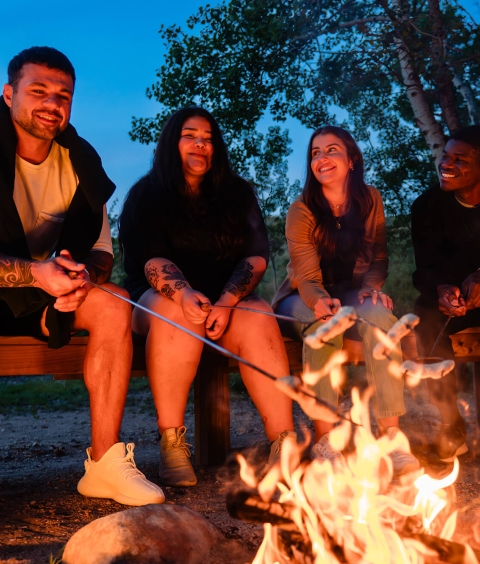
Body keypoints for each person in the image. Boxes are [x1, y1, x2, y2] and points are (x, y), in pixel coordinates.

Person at [0, 46, 164, 506]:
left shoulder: (80, 163)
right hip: (24, 281)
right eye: (38, 91)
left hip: (41, 293)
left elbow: (100, 252)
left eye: (63, 95)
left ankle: (104, 463)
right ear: (8, 93)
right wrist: (37, 275)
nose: (52, 103)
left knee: (112, 301)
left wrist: (78, 280)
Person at [119, 106, 295, 487]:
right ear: (172, 143)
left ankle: (285, 444)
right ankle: (173, 444)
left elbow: (256, 257)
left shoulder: (237, 194)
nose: (200, 143)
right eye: (189, 135)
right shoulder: (147, 195)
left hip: (224, 303)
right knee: (177, 314)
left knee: (260, 313)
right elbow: (150, 261)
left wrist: (230, 299)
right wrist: (184, 293)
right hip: (157, 301)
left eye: (208, 137)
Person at [273, 125, 419, 474]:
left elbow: (378, 257)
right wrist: (321, 303)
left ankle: (393, 439)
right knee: (325, 326)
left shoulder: (370, 199)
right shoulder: (302, 209)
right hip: (301, 298)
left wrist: (372, 286)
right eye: (315, 153)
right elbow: (307, 278)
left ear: (352, 159)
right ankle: (326, 441)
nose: (322, 158)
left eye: (332, 150)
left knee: (383, 318)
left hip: (352, 295)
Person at [412, 126, 480, 462]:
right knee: (424, 318)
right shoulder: (426, 206)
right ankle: (452, 425)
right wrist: (441, 289)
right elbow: (424, 269)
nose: (446, 164)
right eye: (445, 156)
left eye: (460, 159)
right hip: (448, 304)